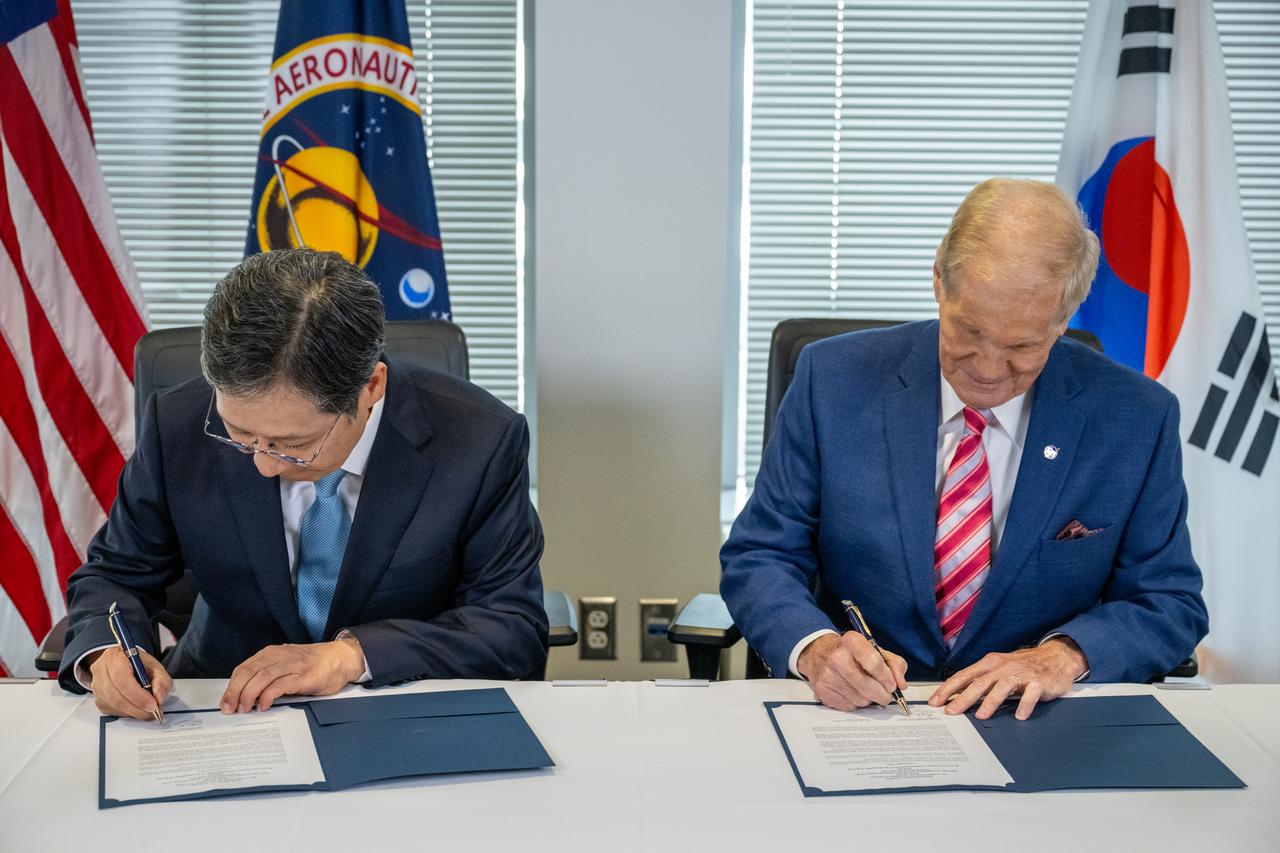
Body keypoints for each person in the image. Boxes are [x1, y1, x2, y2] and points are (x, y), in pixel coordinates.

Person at [720, 178, 1208, 721]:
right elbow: (760, 554)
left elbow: (1168, 601)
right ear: (938, 280)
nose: (988, 368)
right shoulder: (830, 379)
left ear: (1064, 318)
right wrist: (815, 649)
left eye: (1023, 345)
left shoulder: (1137, 416)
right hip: (867, 713)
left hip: (1036, 720)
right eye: (968, 331)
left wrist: (1064, 657)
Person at [59, 248, 547, 718]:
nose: (263, 466)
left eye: (293, 444)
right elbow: (116, 573)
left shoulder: (480, 440)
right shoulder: (177, 423)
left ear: (371, 387)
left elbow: (509, 625)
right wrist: (107, 652)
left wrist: (350, 656)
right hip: (218, 699)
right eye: (240, 434)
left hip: (396, 706)